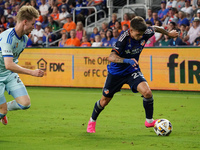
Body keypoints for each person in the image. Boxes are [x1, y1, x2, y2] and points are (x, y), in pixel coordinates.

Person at [86, 16, 178, 133]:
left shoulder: (146, 32)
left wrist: (168, 34)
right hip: (116, 73)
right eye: (138, 35)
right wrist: (126, 60)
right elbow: (111, 57)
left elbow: (156, 28)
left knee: (147, 93)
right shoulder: (123, 38)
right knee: (104, 101)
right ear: (131, 30)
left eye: (142, 35)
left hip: (131, 70)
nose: (140, 37)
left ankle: (149, 121)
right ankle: (92, 121)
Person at [0, 5, 44, 125]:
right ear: (25, 22)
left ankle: (3, 108)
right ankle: (2, 110)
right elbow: (9, 64)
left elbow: (12, 64)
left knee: (25, 104)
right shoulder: (7, 39)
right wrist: (32, 72)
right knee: (2, 111)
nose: (33, 27)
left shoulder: (24, 39)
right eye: (32, 24)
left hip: (9, 74)